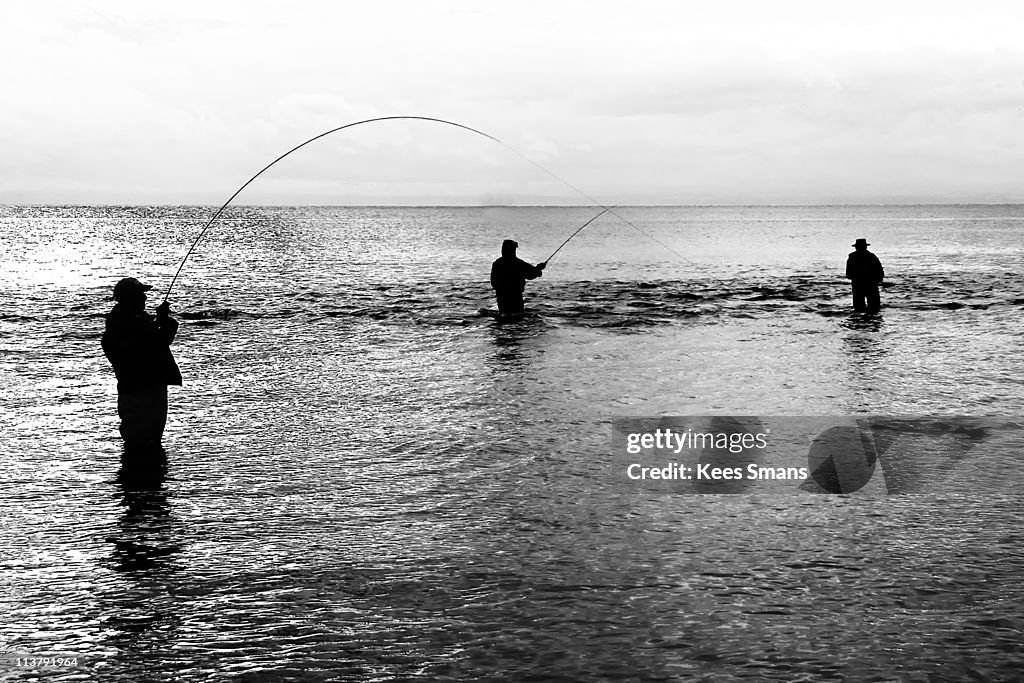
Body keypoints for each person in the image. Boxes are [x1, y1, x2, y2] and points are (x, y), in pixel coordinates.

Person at [101, 277, 182, 450]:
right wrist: (163, 320)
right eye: (140, 294)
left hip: (144, 388)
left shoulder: (128, 320)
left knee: (149, 442)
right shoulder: (128, 323)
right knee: (142, 442)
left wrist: (160, 321)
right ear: (130, 297)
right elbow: (157, 344)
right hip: (141, 391)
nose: (145, 298)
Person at [490, 239, 546, 317]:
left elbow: (493, 282)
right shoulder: (519, 263)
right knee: (518, 316)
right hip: (516, 296)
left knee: (504, 316)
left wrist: (537, 269)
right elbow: (533, 274)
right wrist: (538, 268)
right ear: (513, 250)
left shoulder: (497, 263)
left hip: (502, 297)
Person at [845, 238, 885, 312]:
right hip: (871, 283)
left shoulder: (852, 257)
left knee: (858, 306)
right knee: (874, 306)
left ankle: (860, 321)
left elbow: (848, 274)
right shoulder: (872, 257)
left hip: (857, 283)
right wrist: (878, 279)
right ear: (865, 247)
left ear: (856, 247)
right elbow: (880, 271)